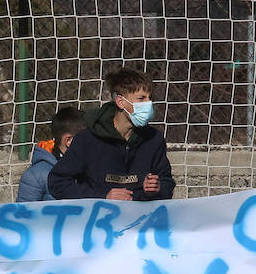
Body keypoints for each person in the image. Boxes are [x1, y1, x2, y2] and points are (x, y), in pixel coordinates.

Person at [48, 68, 176, 201]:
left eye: (150, 98)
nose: (148, 104)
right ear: (120, 102)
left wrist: (156, 189)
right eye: (141, 98)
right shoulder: (87, 139)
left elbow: (167, 182)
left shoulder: (154, 139)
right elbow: (57, 182)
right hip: (99, 218)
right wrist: (102, 197)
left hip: (140, 219)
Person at [17, 107, 86, 203]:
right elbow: (23, 215)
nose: (93, 144)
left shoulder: (92, 168)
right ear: (69, 141)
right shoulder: (36, 175)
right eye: (88, 139)